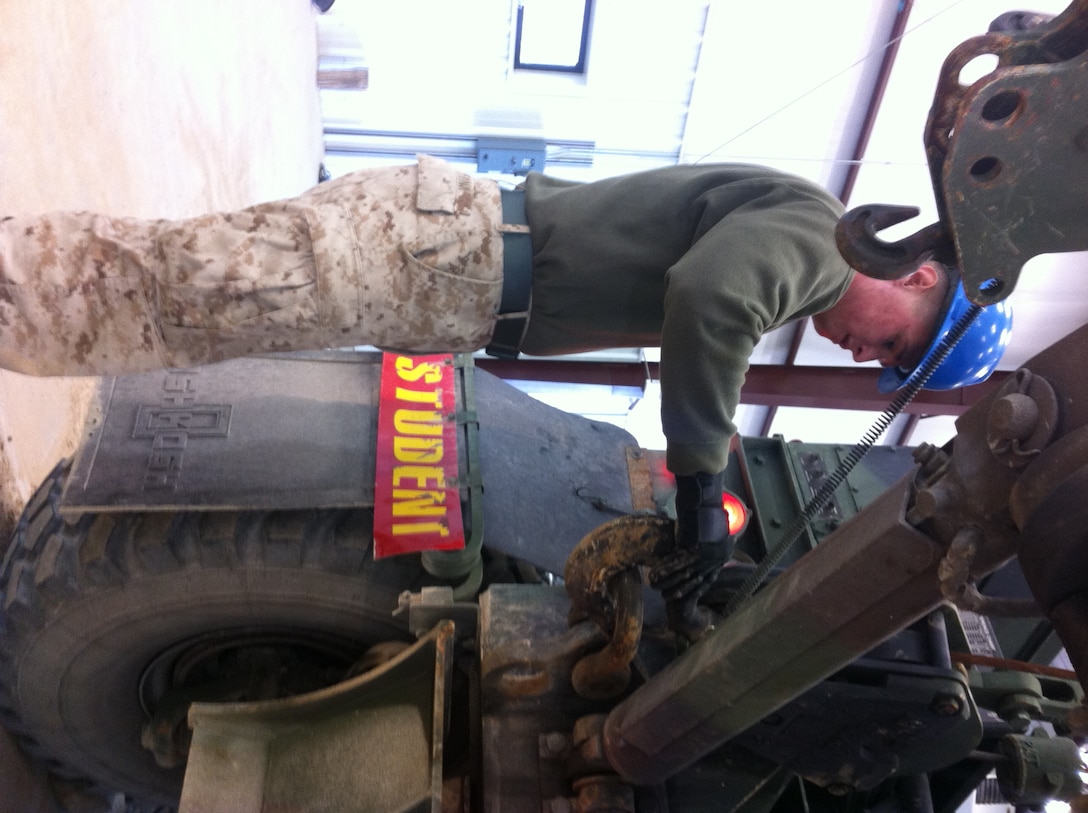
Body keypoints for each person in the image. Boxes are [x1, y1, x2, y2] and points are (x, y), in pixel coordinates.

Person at [0, 154, 1009, 573]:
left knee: (184, 310)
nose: (864, 353)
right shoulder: (818, 240)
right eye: (891, 344)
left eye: (879, 365)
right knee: (185, 288)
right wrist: (700, 476)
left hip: (449, 276)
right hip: (439, 251)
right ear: (920, 274)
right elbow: (711, 297)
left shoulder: (807, 259)